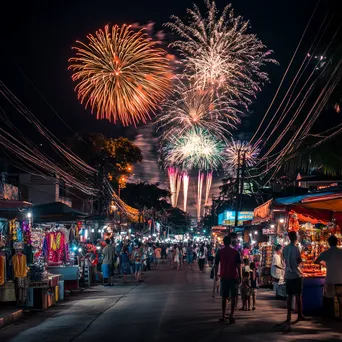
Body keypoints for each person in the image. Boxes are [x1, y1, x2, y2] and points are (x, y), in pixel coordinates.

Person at [215, 235, 242, 323]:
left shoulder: (220, 252)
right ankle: (232, 315)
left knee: (224, 297)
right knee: (233, 297)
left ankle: (223, 315)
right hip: (234, 276)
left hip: (224, 276)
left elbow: (216, 265)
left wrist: (216, 275)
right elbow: (239, 266)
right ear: (231, 242)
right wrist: (240, 277)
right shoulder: (235, 252)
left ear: (223, 242)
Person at [283, 231, 309, 324]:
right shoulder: (296, 248)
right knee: (298, 296)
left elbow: (285, 260)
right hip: (296, 274)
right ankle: (300, 315)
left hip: (288, 275)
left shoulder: (285, 248)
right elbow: (299, 261)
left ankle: (288, 316)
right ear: (296, 237)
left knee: (289, 296)